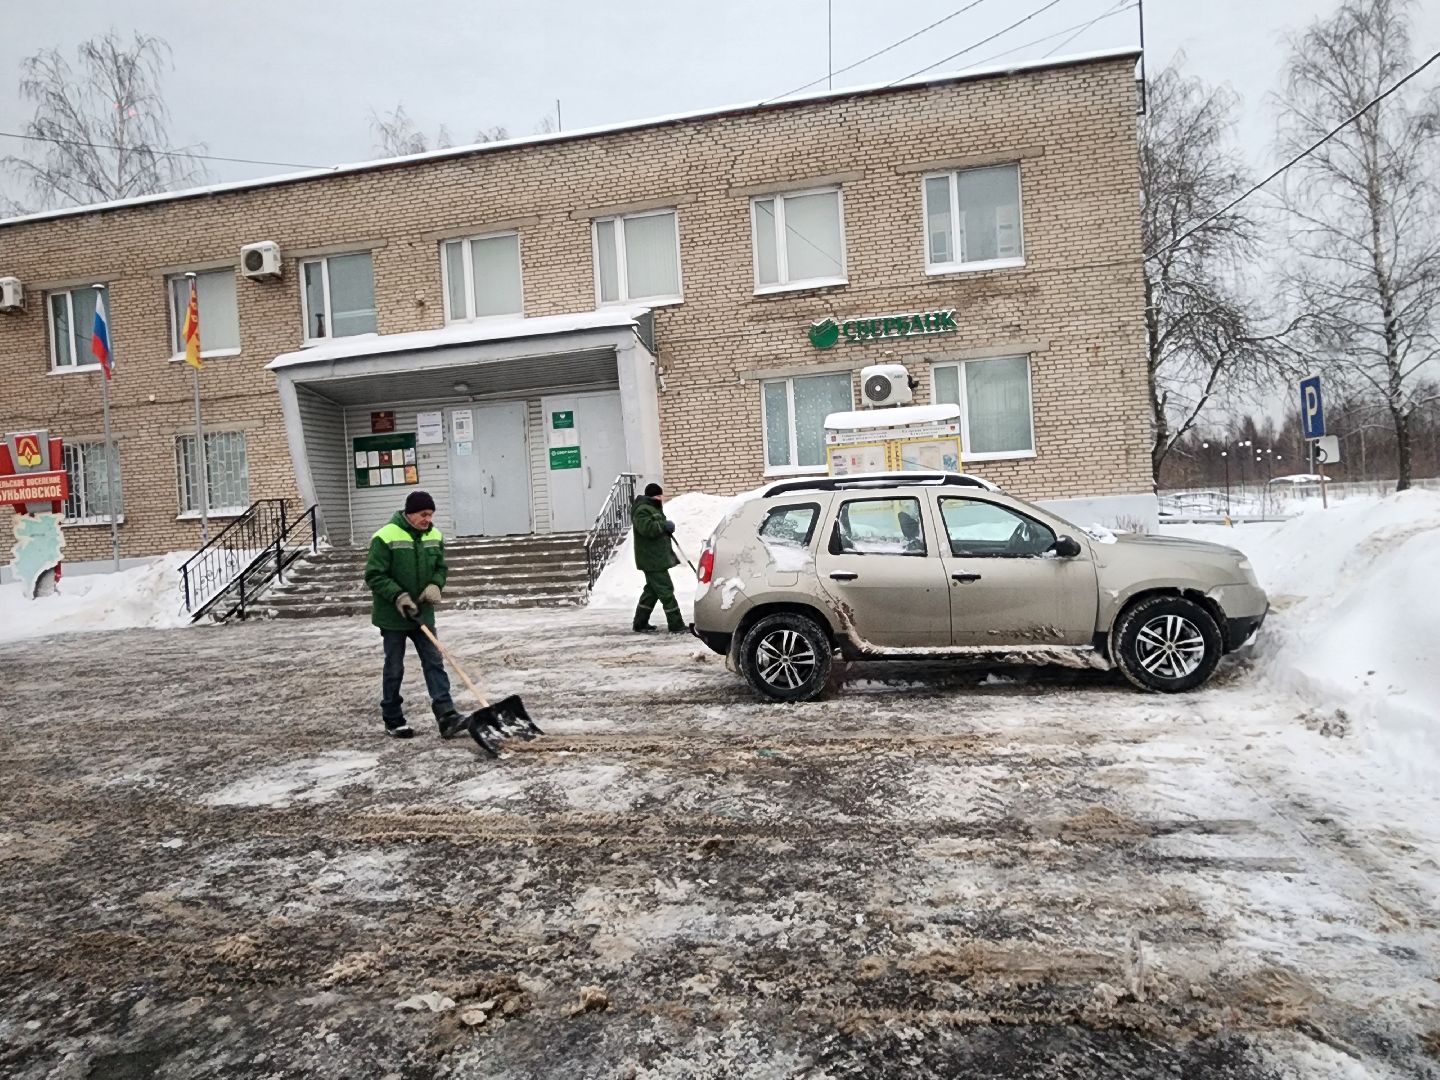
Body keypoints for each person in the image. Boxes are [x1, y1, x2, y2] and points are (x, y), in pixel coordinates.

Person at [363, 490, 467, 739]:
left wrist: (436, 584)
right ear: (409, 513)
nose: (427, 519)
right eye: (423, 514)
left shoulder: (435, 535)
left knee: (434, 662)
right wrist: (398, 596)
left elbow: (441, 567)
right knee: (395, 667)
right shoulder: (385, 536)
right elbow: (374, 575)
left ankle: (446, 716)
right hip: (393, 615)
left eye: (430, 514)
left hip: (423, 614)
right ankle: (393, 718)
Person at [630, 481, 687, 634]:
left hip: (655, 558)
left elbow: (656, 527)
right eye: (660, 495)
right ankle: (676, 625)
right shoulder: (642, 510)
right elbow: (647, 529)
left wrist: (665, 527)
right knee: (666, 590)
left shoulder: (651, 508)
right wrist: (663, 526)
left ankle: (640, 623)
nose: (662, 498)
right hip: (651, 560)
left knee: (651, 591)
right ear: (655, 495)